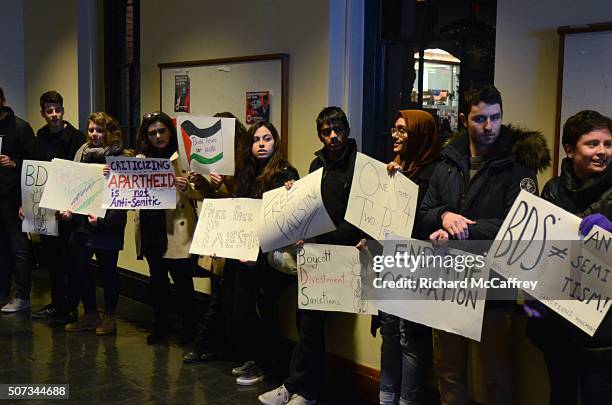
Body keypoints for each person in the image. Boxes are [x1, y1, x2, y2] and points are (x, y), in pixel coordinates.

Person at [419, 84, 549, 405]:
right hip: (448, 279)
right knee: (448, 370)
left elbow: (518, 226)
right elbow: (422, 214)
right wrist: (443, 216)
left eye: (495, 118)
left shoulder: (518, 166)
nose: (489, 127)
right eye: (480, 119)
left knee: (496, 375)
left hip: (494, 282)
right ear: (464, 119)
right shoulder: (446, 163)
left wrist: (461, 229)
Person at [259, 106, 367, 404]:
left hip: (342, 255)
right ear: (319, 134)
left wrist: (325, 237)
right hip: (314, 254)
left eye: (337, 130)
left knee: (313, 323)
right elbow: (311, 204)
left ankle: (306, 390)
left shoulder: (360, 165)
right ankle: (296, 386)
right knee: (305, 322)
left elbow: (359, 217)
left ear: (346, 130)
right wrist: (293, 192)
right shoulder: (316, 163)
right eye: (326, 132)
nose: (333, 137)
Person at [526, 110, 611, 405]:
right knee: (560, 395)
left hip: (604, 331)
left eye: (608, 144)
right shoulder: (553, 190)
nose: (602, 152)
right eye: (593, 144)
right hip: (558, 326)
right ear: (570, 149)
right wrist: (532, 305)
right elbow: (540, 255)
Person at [223, 120, 299, 386]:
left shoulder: (286, 174)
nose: (262, 144)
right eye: (256, 140)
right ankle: (257, 358)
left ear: (275, 142)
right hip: (245, 256)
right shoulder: (246, 173)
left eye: (267, 139)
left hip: (269, 260)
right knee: (241, 312)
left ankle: (266, 366)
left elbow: (285, 220)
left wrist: (292, 192)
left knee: (267, 313)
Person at [376, 110, 441, 405]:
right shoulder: (393, 169)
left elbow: (425, 221)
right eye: (394, 129)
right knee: (389, 331)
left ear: (420, 135)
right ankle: (386, 397)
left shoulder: (435, 172)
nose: (396, 136)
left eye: (403, 131)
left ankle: (408, 401)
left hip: (418, 265)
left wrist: (404, 187)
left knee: (411, 338)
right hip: (390, 261)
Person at [184, 112, 248, 363]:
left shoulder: (242, 160)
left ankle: (205, 346)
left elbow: (241, 198)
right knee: (218, 295)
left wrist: (221, 185)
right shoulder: (212, 158)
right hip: (217, 234)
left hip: (235, 234)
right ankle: (213, 346)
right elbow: (207, 198)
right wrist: (201, 183)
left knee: (224, 297)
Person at [134, 111, 200, 345]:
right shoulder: (140, 160)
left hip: (175, 225)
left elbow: (200, 191)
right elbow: (127, 191)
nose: (158, 136)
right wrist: (112, 174)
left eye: (162, 131)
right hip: (151, 227)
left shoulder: (183, 157)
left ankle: (189, 328)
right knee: (157, 281)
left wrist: (186, 187)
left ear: (170, 132)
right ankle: (160, 326)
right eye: (152, 133)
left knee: (182, 281)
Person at [61, 112, 128, 335]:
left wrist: (103, 216)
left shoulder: (119, 156)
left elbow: (124, 194)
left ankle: (109, 317)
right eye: (91, 130)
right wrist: (68, 208)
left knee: (108, 271)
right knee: (79, 268)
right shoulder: (81, 153)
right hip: (81, 223)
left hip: (108, 223)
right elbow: (74, 186)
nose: (94, 134)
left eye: (99, 130)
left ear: (109, 132)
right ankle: (90, 314)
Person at [27, 90, 86, 323]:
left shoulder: (77, 137)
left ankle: (71, 307)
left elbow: (80, 175)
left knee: (70, 260)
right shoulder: (40, 136)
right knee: (52, 259)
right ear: (43, 113)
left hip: (70, 210)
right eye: (49, 111)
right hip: (48, 208)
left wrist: (70, 206)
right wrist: (28, 204)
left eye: (57, 110)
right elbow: (34, 171)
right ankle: (56, 303)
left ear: (63, 110)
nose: (54, 115)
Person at [0, 86, 36, 313]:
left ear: (2, 100)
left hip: (14, 198)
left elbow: (36, 165)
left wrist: (15, 163)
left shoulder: (21, 127)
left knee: (19, 247)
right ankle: (3, 292)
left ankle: (22, 296)